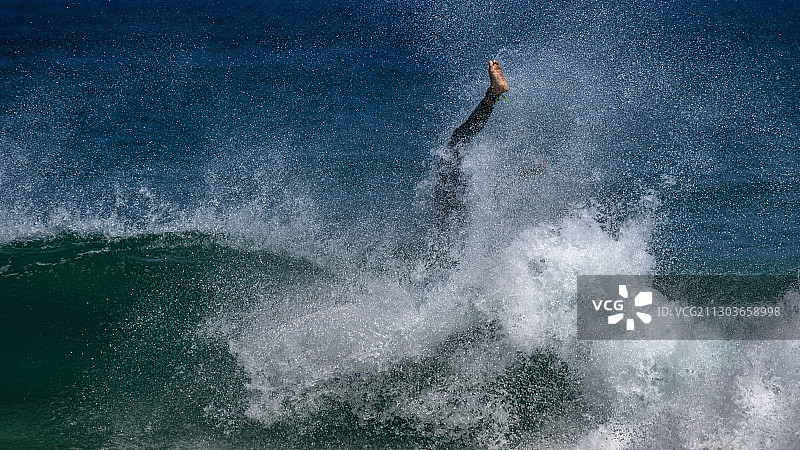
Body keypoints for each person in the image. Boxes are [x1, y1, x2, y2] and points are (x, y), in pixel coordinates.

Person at [434, 60, 510, 231]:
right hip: (460, 221)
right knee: (457, 143)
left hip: (452, 225)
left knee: (456, 144)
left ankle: (493, 94)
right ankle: (492, 95)